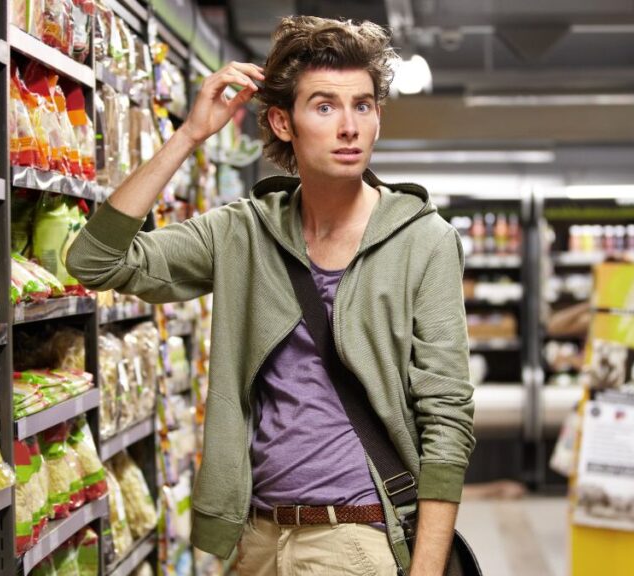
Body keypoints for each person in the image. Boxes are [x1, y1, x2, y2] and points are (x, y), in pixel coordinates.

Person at [66, 15, 474, 576]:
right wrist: (188, 135)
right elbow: (96, 261)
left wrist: (427, 569)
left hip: (357, 540)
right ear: (283, 121)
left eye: (363, 105)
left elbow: (447, 416)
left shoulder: (424, 241)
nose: (349, 126)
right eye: (325, 106)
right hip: (256, 540)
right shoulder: (242, 233)